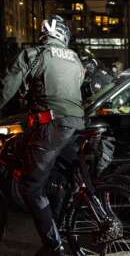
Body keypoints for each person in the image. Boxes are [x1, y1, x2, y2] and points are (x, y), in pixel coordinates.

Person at [0, 15, 85, 256]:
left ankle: (54, 246)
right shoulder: (75, 59)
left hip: (51, 126)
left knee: (31, 187)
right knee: (60, 176)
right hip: (76, 124)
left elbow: (7, 88)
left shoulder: (33, 54)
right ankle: (58, 224)